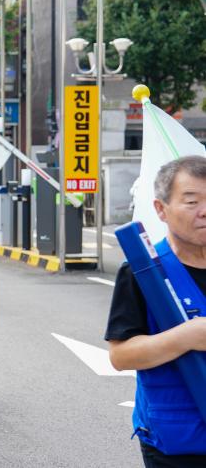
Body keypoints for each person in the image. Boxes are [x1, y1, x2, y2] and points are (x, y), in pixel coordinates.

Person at [106, 156, 206, 467]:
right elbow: (121, 355)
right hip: (177, 444)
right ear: (161, 209)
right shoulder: (143, 274)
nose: (204, 211)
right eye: (191, 201)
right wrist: (188, 336)